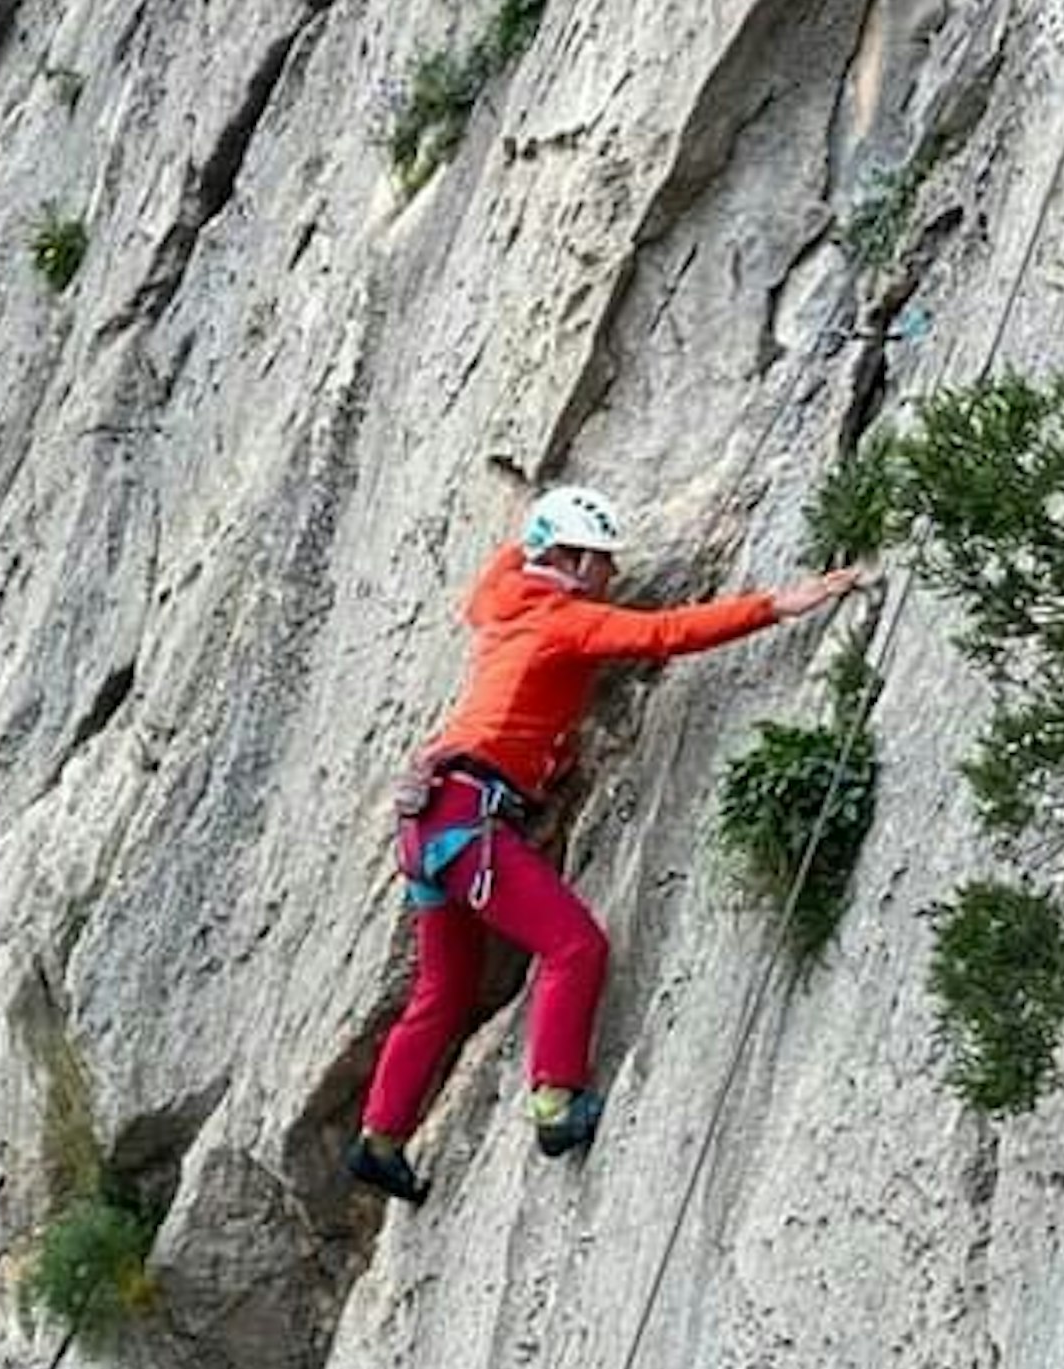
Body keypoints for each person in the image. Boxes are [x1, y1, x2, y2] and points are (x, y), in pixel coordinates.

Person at [347, 485, 872, 1199]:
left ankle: (381, 1139)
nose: (611, 578)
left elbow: (507, 563)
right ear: (563, 559)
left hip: (430, 819)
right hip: (468, 817)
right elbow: (663, 636)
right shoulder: (563, 621)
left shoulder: (500, 599)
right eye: (599, 563)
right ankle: (556, 1103)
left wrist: (540, 532)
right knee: (574, 947)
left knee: (443, 988)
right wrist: (776, 605)